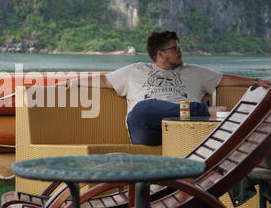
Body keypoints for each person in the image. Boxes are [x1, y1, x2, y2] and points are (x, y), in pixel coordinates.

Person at [64, 31, 271, 146]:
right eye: (175, 48)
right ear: (161, 54)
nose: (180, 51)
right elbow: (105, 80)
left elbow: (223, 79)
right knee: (143, 108)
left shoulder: (195, 72)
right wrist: (75, 81)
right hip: (148, 132)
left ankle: (199, 114)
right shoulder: (134, 70)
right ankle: (203, 111)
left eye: (179, 47)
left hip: (185, 130)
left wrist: (255, 81)